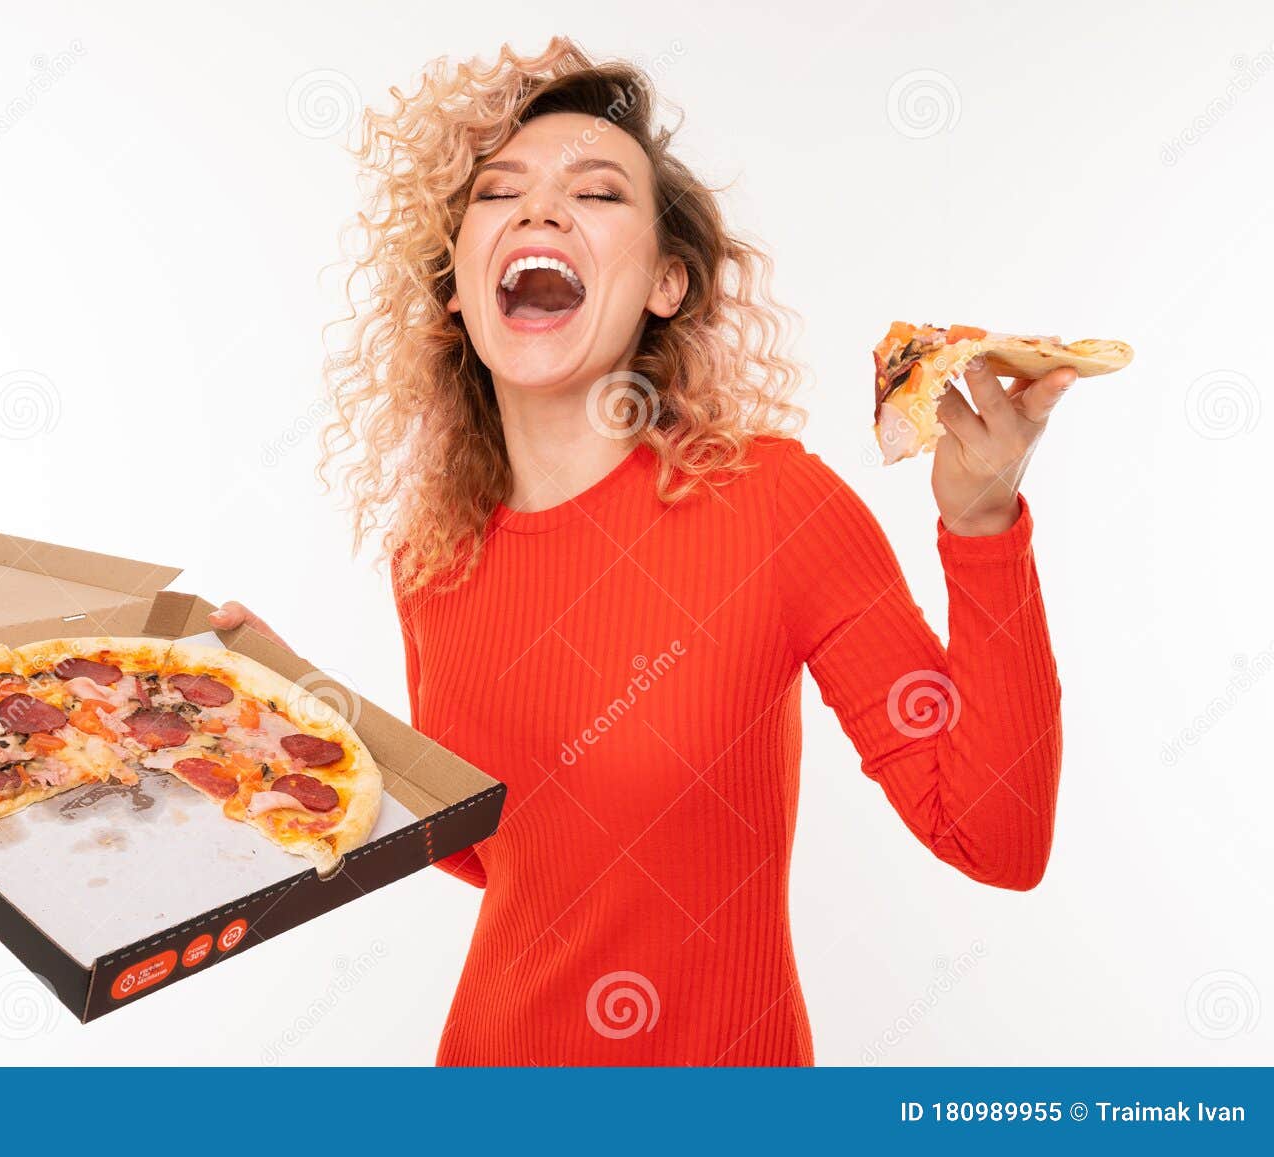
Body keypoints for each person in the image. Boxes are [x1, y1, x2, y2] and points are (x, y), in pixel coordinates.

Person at [212, 38, 1067, 1065]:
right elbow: (510, 850)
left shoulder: (774, 506)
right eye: (500, 192)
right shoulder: (433, 554)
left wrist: (980, 533)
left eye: (598, 191)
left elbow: (995, 839)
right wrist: (304, 711)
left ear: (666, 281)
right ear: (455, 290)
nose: (539, 210)